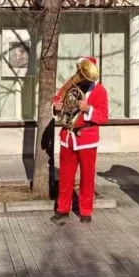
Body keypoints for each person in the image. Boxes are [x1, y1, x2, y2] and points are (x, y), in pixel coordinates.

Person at [52, 56, 108, 224]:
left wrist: (88, 109)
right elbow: (58, 99)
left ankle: (85, 210)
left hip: (87, 138)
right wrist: (57, 106)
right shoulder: (70, 84)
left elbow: (104, 117)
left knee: (87, 176)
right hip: (68, 137)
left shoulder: (100, 91)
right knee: (65, 176)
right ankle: (62, 209)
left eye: (82, 70)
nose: (78, 73)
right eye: (79, 69)